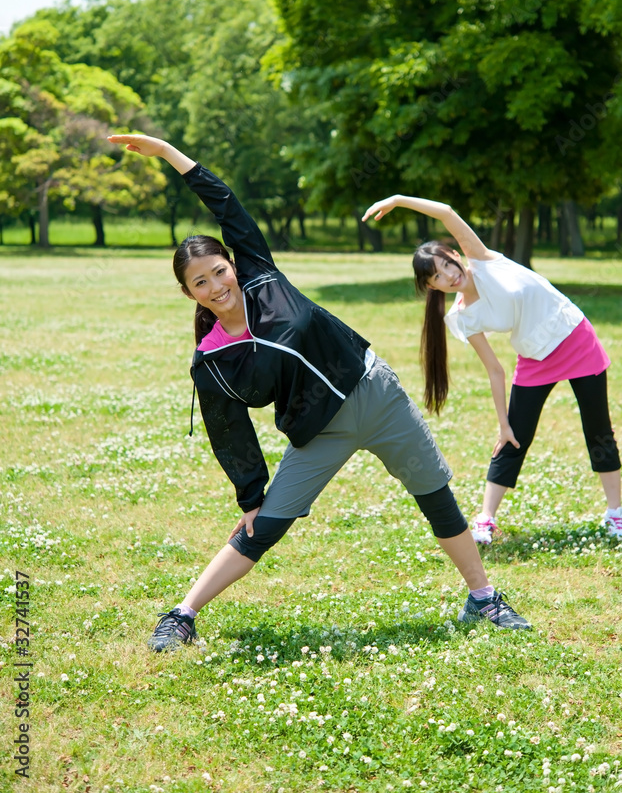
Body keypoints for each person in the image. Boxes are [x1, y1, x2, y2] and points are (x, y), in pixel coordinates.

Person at [108, 134, 531, 648]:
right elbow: (228, 431)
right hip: (319, 432)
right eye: (200, 282)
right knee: (262, 527)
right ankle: (182, 614)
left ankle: (483, 597)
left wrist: (170, 154)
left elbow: (226, 203)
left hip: (376, 394)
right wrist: (250, 495)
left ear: (233, 265)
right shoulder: (213, 358)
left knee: (436, 498)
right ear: (188, 292)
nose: (215, 285)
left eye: (219, 271)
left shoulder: (263, 277)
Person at [362, 194, 622, 546]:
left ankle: (616, 515)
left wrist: (398, 200)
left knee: (597, 429)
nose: (449, 276)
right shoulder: (461, 317)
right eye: (438, 277)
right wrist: (503, 423)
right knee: (512, 438)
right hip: (535, 357)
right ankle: (486, 520)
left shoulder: (484, 260)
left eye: (447, 265)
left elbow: (446, 211)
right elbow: (495, 370)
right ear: (431, 286)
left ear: (455, 255)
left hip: (575, 338)